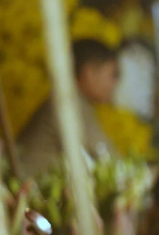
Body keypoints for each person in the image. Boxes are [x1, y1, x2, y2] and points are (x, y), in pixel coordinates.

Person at [17, 39, 119, 177]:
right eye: (112, 75)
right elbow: (111, 161)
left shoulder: (73, 102)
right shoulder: (68, 105)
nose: (115, 84)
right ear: (89, 73)